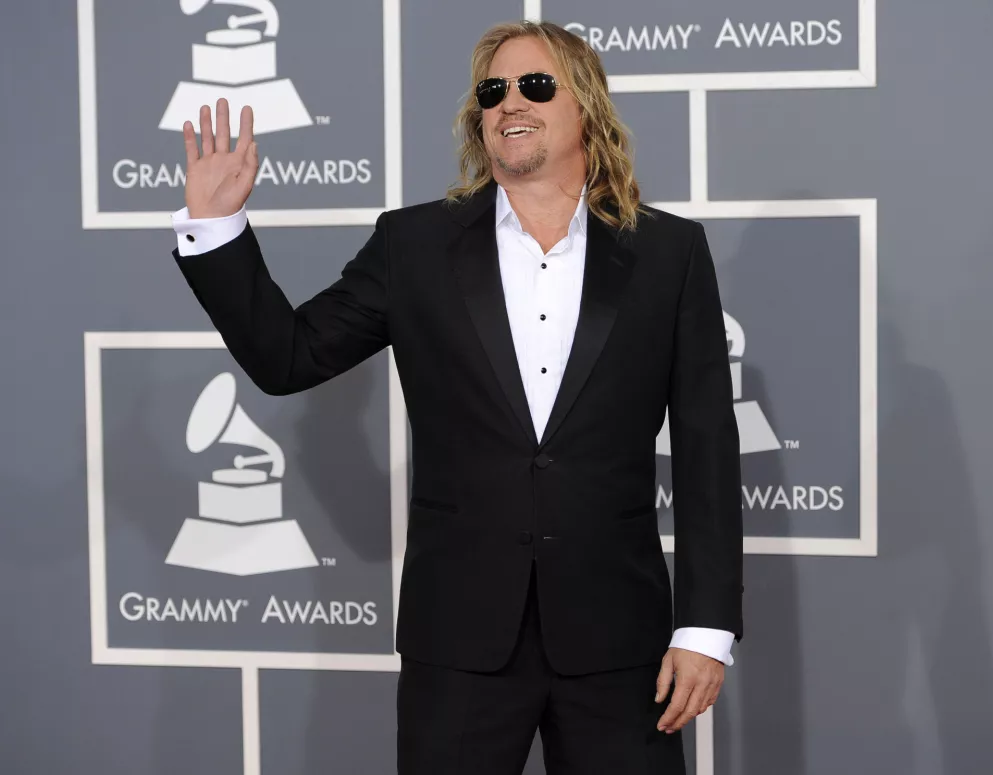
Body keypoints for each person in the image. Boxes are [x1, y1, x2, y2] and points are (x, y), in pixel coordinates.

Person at [170, 19, 742, 775]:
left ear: (587, 108)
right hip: (460, 640)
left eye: (535, 85)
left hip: (619, 639)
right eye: (492, 90)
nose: (510, 102)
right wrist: (217, 228)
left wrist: (705, 628)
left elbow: (707, 449)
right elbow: (288, 356)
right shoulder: (415, 246)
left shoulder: (669, 253)